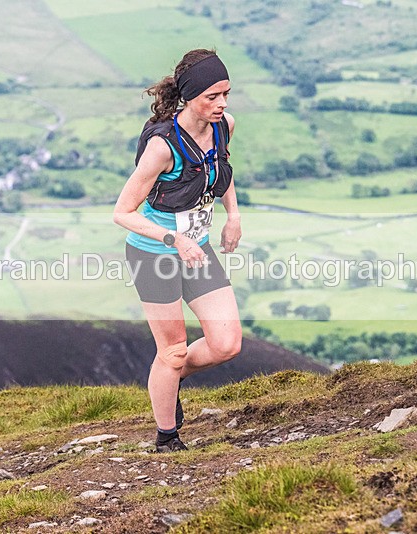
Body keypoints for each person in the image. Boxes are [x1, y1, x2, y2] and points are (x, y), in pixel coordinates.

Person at [113, 49, 242, 453]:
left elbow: (220, 171)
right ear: (189, 97)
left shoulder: (224, 126)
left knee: (226, 343)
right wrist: (174, 240)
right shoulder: (162, 147)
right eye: (211, 96)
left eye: (225, 94)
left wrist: (233, 215)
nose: (221, 103)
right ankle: (167, 437)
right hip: (155, 254)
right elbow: (122, 213)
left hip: (197, 249)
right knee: (171, 351)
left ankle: (170, 378)